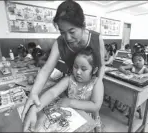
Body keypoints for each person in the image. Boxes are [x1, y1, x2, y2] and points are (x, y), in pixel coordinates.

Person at [22, 0, 105, 131]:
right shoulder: (60, 44)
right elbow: (46, 70)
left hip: (92, 85)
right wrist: (34, 97)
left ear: (83, 26)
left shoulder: (96, 39)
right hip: (73, 85)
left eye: (72, 31)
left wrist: (98, 84)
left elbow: (101, 67)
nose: (67, 37)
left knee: (93, 118)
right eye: (62, 32)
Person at [23, 47, 103, 132]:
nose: (78, 72)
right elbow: (52, 92)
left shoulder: (96, 83)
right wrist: (35, 108)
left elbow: (95, 106)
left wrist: (70, 102)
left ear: (94, 70)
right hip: (73, 117)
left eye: (83, 69)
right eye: (75, 67)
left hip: (88, 120)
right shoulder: (69, 79)